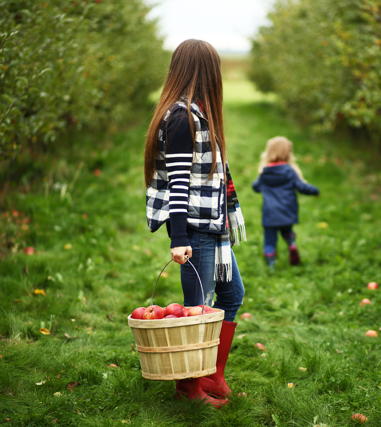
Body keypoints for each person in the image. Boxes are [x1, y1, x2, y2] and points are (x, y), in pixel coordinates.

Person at [144, 39, 246, 408]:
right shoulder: (183, 118)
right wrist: (179, 238)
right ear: (205, 72)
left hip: (211, 227)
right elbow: (179, 185)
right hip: (196, 230)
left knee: (232, 295)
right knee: (196, 309)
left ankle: (211, 375)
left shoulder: (196, 113)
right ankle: (188, 388)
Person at [252, 136, 319, 268]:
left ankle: (270, 265)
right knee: (286, 228)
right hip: (287, 211)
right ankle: (291, 242)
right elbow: (302, 187)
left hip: (270, 214)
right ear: (288, 153)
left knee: (270, 241)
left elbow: (256, 187)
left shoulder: (265, 173)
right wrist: (314, 191)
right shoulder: (290, 171)